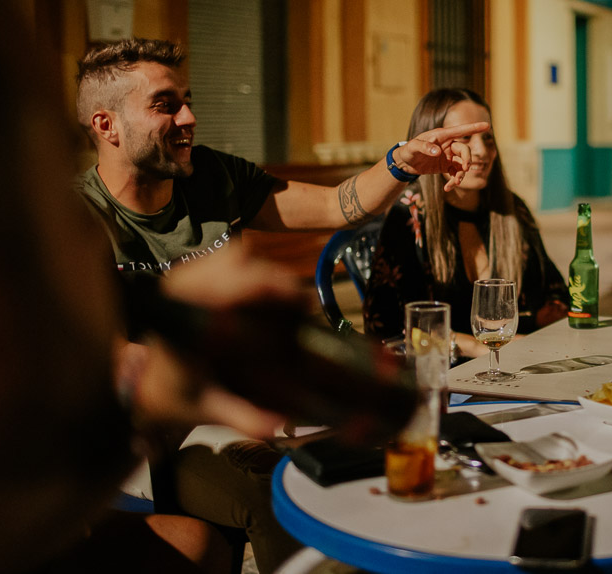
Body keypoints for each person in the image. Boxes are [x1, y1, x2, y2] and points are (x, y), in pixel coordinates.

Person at [74, 38, 487, 572]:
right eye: (165, 104)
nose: (190, 117)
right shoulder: (72, 221)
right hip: (143, 440)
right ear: (106, 125)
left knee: (388, 458)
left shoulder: (213, 176)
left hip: (241, 407)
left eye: (187, 99)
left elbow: (336, 204)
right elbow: (105, 366)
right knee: (282, 495)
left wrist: (403, 162)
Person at [364, 88, 570, 356]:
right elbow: (389, 328)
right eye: (464, 138)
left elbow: (553, 291)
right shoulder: (410, 216)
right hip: (439, 378)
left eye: (488, 139)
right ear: (431, 144)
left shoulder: (511, 209)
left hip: (514, 370)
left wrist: (547, 313)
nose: (481, 151)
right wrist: (476, 346)